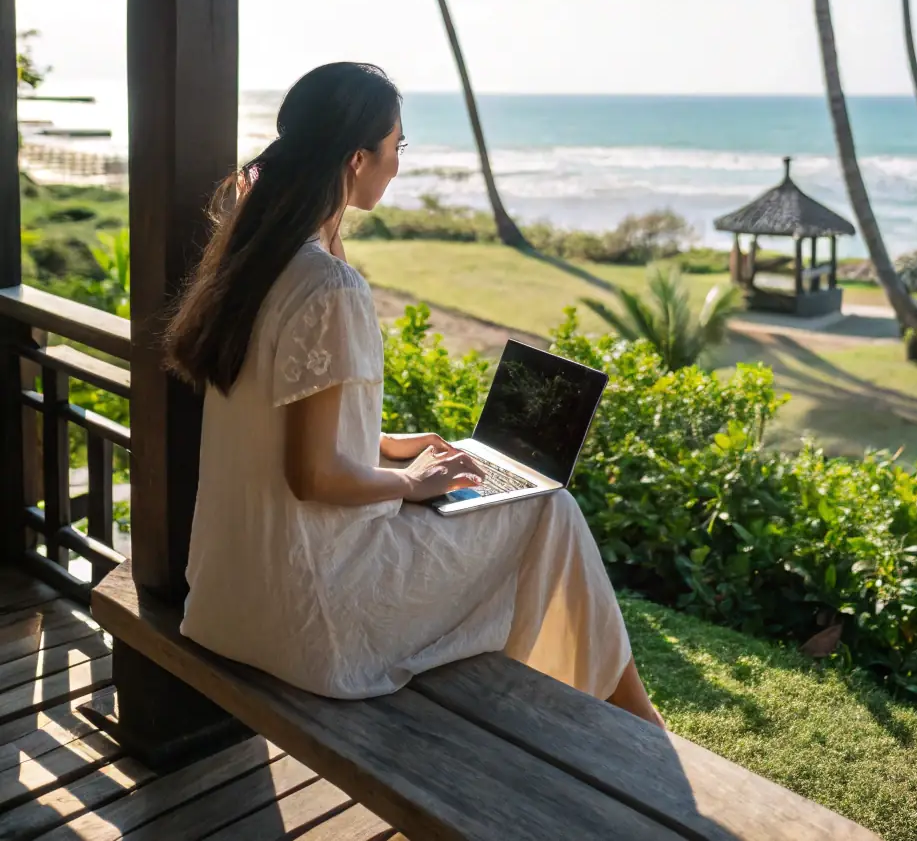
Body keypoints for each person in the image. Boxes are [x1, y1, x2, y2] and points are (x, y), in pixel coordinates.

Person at [167, 62, 662, 725]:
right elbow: (312, 474)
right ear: (357, 159)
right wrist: (413, 481)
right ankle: (637, 723)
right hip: (316, 617)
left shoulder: (252, 258)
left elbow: (281, 430)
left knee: (523, 506)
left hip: (234, 595)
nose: (400, 162)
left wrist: (388, 447)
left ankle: (607, 710)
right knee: (552, 510)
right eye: (398, 145)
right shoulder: (327, 287)